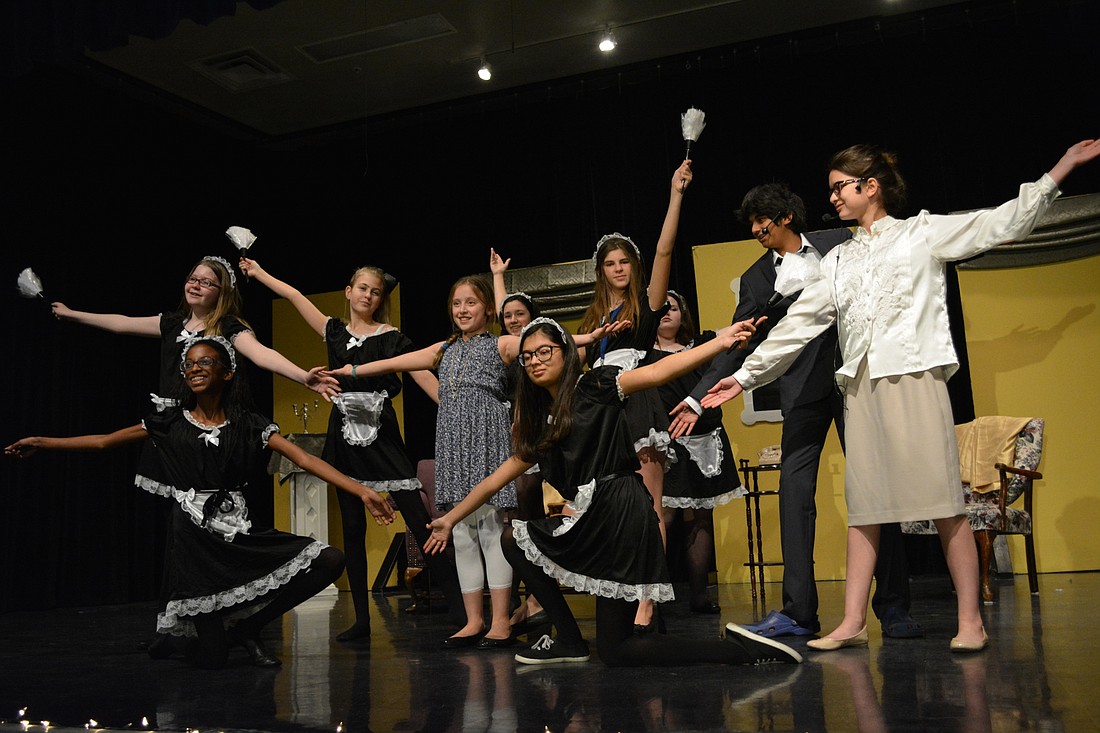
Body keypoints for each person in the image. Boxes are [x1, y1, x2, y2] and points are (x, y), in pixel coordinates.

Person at [701, 138, 1100, 651]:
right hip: (860, 388)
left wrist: (1059, 170)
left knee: (943, 503)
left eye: (840, 187)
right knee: (865, 508)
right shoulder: (839, 259)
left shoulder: (921, 233)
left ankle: (970, 621)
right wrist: (745, 376)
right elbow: (798, 325)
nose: (833, 198)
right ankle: (852, 622)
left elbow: (1000, 223)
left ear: (871, 186)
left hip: (914, 378)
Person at [421, 317, 805, 668]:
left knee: (617, 650)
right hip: (595, 517)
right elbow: (496, 479)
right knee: (518, 544)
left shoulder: (595, 386)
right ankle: (570, 640)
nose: (535, 361)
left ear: (565, 352)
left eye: (544, 351)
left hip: (620, 513)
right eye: (528, 356)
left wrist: (720, 343)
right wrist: (449, 519)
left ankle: (742, 651)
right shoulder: (543, 421)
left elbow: (656, 372)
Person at [5, 336, 395, 669]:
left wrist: (361, 490)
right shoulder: (169, 422)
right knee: (213, 659)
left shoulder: (248, 423)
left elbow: (305, 459)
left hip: (237, 529)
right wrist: (42, 442)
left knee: (330, 560)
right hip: (193, 542)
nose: (194, 368)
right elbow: (103, 442)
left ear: (227, 373)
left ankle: (248, 627)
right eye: (189, 364)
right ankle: (180, 641)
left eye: (205, 362)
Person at [669, 183, 919, 639]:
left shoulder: (838, 242)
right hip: (802, 391)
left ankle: (894, 607)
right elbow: (738, 344)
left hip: (854, 381)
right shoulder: (756, 279)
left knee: (876, 488)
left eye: (761, 219)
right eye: (750, 223)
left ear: (785, 216)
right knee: (794, 494)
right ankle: (799, 613)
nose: (755, 229)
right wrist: (696, 397)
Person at [325, 277, 623, 648]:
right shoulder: (444, 349)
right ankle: (473, 620)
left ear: (487, 310)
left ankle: (500, 621)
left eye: (471, 303)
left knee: (490, 529)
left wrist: (588, 338)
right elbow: (397, 362)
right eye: (457, 303)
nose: (463, 310)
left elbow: (544, 340)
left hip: (487, 437)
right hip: (452, 443)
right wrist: (353, 371)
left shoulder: (500, 344)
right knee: (463, 533)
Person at [239, 257, 466, 640]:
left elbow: (423, 375)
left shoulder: (391, 337)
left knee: (419, 521)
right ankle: (361, 620)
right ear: (348, 292)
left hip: (383, 439)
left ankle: (461, 610)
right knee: (353, 528)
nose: (368, 296)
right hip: (345, 438)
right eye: (363, 288)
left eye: (375, 292)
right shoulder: (333, 331)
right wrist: (259, 273)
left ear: (380, 300)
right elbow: (294, 295)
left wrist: (461, 411)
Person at [51, 255, 338, 495]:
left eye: (206, 282)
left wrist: (302, 377)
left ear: (222, 292)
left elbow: (261, 354)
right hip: (172, 428)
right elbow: (122, 324)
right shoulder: (172, 323)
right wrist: (73, 314)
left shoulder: (227, 326)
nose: (196, 285)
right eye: (193, 279)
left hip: (204, 427)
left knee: (205, 494)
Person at [578, 159, 692, 628]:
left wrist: (675, 195)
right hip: (602, 413)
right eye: (611, 263)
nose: (618, 268)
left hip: (638, 405)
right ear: (601, 270)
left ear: (634, 265)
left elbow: (664, 251)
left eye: (624, 261)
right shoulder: (591, 319)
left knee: (649, 505)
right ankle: (622, 589)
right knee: (611, 507)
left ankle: (648, 598)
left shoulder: (646, 304)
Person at [650, 291, 745, 614]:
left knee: (700, 519)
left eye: (674, 308)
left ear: (683, 314)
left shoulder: (702, 345)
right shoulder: (641, 354)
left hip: (705, 438)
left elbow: (732, 333)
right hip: (665, 443)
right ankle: (650, 598)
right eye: (661, 309)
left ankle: (699, 594)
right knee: (661, 517)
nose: (667, 313)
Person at [489, 248, 547, 633]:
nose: (512, 320)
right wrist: (497, 276)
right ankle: (518, 598)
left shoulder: (536, 348)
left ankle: (538, 597)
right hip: (504, 434)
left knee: (528, 510)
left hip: (532, 433)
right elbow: (502, 312)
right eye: (508, 315)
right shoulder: (505, 348)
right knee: (508, 516)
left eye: (519, 314)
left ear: (532, 318)